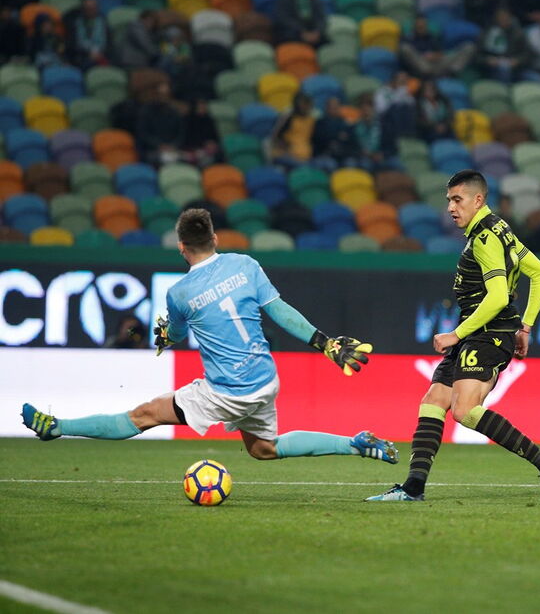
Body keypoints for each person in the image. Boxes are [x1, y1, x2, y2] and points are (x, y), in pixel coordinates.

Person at [23, 208, 398, 468]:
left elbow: (177, 333)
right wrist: (326, 344)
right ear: (215, 238)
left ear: (181, 247)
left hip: (229, 390)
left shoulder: (180, 293)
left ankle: (58, 427)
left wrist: (166, 334)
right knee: (264, 449)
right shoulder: (245, 265)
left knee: (143, 415)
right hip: (265, 379)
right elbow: (280, 311)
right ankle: (355, 442)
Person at [366, 170, 540, 503]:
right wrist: (526, 327)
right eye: (448, 199)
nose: (450, 207)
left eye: (457, 199)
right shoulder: (499, 230)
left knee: (465, 410)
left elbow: (499, 296)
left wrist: (454, 334)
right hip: (482, 333)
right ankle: (413, 488)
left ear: (478, 200)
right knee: (433, 402)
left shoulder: (487, 238)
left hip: (486, 335)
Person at [398, 15, 476, 79]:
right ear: (414, 26)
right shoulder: (409, 39)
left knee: (469, 47)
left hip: (437, 65)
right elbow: (406, 56)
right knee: (405, 48)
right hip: (421, 66)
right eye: (419, 25)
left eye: (423, 25)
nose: (421, 27)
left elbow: (441, 53)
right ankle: (427, 73)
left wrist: (434, 56)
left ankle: (453, 72)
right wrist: (422, 56)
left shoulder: (431, 38)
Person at [136, 81, 185, 166]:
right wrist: (159, 145)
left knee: (186, 159)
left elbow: (180, 133)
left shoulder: (174, 112)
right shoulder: (146, 111)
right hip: (152, 149)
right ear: (156, 94)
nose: (163, 97)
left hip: (172, 148)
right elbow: (143, 134)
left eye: (166, 94)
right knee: (161, 160)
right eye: (161, 94)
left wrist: (173, 145)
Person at [478, 7, 531, 84]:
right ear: (496, 20)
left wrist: (517, 61)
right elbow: (477, 56)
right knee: (503, 69)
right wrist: (487, 60)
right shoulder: (487, 34)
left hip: (517, 69)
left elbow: (527, 54)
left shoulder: (518, 34)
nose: (503, 20)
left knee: (537, 79)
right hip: (491, 69)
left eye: (506, 18)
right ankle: (506, 92)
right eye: (501, 18)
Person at [269, 92, 315, 168]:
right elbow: (275, 137)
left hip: (305, 158)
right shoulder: (289, 118)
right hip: (286, 155)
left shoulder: (311, 120)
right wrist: (287, 149)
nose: (306, 107)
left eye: (308, 105)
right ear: (297, 105)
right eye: (303, 105)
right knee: (304, 167)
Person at [67, 0, 107, 70]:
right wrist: (88, 53)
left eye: (93, 8)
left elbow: (109, 44)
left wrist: (100, 53)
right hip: (82, 57)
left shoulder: (103, 22)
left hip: (102, 55)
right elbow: (73, 45)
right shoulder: (76, 24)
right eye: (88, 9)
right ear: (84, 10)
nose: (91, 11)